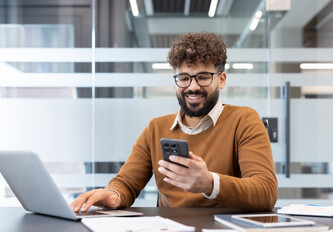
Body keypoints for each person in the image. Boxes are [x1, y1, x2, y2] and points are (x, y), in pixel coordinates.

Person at [71, 32, 277, 213]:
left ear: (221, 79)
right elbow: (127, 182)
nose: (192, 87)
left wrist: (210, 183)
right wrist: (113, 194)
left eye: (203, 77)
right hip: (170, 231)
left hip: (224, 231)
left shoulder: (244, 120)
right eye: (184, 78)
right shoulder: (156, 128)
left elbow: (265, 191)